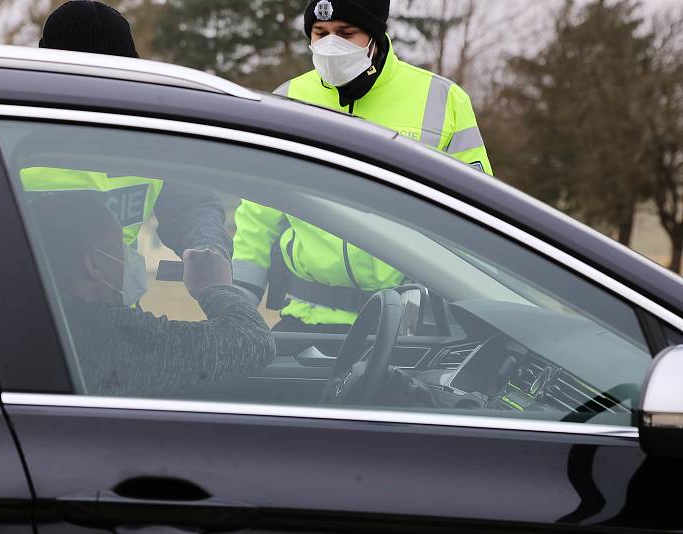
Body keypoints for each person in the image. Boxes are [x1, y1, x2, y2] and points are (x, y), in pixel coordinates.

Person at [232, 0, 492, 332]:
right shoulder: (286, 99)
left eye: (345, 33)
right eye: (320, 33)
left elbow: (470, 220)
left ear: (373, 35)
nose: (330, 45)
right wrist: (241, 295)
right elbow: (258, 211)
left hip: (405, 330)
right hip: (306, 323)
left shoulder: (442, 100)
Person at [26, 0, 232, 303]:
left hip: (117, 318)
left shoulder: (147, 137)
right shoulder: (15, 133)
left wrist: (204, 245)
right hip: (27, 315)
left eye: (111, 75)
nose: (98, 92)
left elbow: (192, 203)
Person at [30, 193, 275, 397]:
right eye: (121, 248)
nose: (130, 260)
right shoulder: (103, 333)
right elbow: (250, 341)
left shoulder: (32, 324)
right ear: (93, 265)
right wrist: (215, 288)